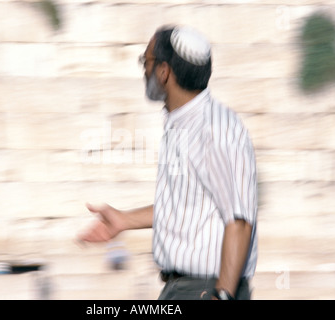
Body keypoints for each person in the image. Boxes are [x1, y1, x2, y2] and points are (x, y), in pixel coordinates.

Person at [79, 25, 258, 300]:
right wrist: (123, 220)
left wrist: (223, 296)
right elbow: (187, 206)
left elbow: (239, 220)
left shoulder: (216, 129)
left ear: (164, 72)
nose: (143, 70)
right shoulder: (181, 124)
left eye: (146, 61)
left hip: (207, 289)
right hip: (182, 289)